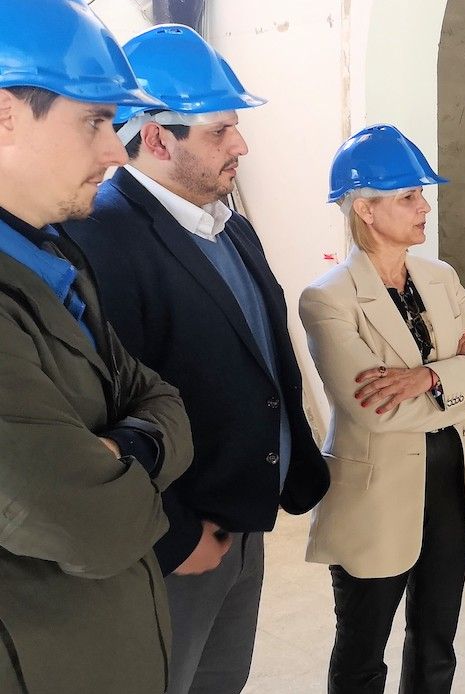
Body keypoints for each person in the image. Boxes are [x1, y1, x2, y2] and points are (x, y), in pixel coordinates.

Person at [62, 24, 329, 694]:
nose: (240, 144)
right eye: (218, 131)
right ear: (157, 137)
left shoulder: (229, 224)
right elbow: (100, 419)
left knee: (220, 680)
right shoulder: (103, 239)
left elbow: (263, 364)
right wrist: (176, 536)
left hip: (242, 523)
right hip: (173, 544)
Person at [0, 2, 194, 692]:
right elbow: (89, 526)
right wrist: (145, 449)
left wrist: (119, 451)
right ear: (5, 115)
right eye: (94, 121)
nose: (117, 149)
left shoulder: (54, 262)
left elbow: (162, 399)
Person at [300, 124, 465, 694]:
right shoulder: (328, 298)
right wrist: (455, 379)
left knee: (436, 642)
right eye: (409, 196)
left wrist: (425, 377)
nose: (425, 206)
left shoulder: (440, 277)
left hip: (450, 488)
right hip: (376, 495)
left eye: (422, 193)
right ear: (365, 209)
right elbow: (373, 411)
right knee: (363, 653)